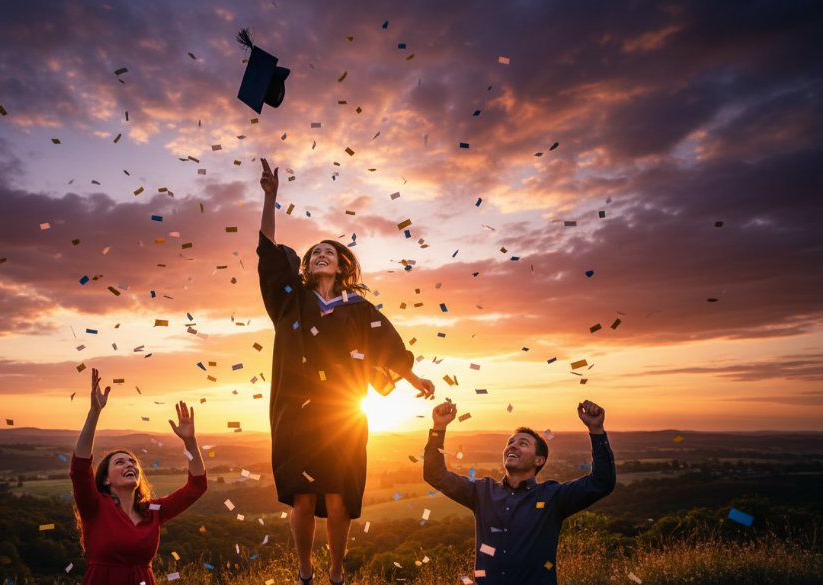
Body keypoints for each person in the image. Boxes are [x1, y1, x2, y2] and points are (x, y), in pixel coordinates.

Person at [257, 157, 436, 585]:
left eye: (330, 253)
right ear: (306, 265)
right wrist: (270, 198)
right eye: (315, 252)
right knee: (302, 498)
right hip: (297, 412)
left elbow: (387, 346)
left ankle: (336, 572)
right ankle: (305, 572)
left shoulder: (359, 309)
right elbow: (267, 254)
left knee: (338, 499)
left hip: (344, 414)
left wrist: (413, 378)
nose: (321, 254)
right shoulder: (291, 302)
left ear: (342, 267)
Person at [424, 400, 615, 585]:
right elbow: (435, 475)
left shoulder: (553, 497)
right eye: (510, 442)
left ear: (539, 460)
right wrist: (438, 428)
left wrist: (596, 431)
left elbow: (601, 483)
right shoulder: (482, 492)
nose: (512, 446)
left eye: (523, 443)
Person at [71, 368, 207, 585]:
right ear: (106, 479)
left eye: (133, 462)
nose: (129, 465)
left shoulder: (152, 512)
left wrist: (190, 442)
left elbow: (196, 487)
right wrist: (94, 412)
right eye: (120, 462)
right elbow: (79, 469)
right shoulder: (95, 506)